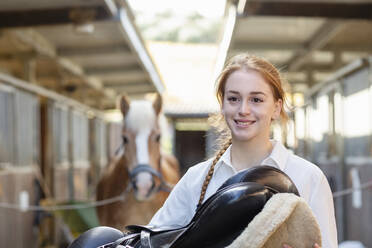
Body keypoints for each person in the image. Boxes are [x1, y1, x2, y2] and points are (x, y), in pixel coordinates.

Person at [149, 54, 337, 248]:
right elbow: (149, 242)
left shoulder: (310, 178)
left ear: (276, 107)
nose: (243, 109)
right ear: (222, 105)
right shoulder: (196, 179)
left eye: (256, 99)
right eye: (233, 98)